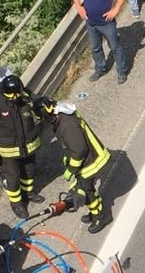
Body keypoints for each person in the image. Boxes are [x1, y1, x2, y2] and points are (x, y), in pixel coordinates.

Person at [35, 98, 111, 233]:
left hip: (90, 162)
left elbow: (79, 150)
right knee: (88, 189)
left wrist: (71, 169)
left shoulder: (66, 125)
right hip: (90, 156)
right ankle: (96, 212)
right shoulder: (63, 115)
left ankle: (100, 217)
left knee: (87, 191)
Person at [0, 75, 43, 218]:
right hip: (9, 150)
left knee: (29, 171)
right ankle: (17, 203)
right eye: (12, 95)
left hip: (28, 145)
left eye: (17, 94)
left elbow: (36, 103)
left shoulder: (23, 94)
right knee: (13, 177)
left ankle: (28, 193)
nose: (15, 98)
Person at [70, 0, 128, 83]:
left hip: (106, 22)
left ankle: (122, 71)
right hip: (91, 22)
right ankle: (100, 69)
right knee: (96, 48)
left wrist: (115, 9)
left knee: (115, 47)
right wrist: (79, 7)